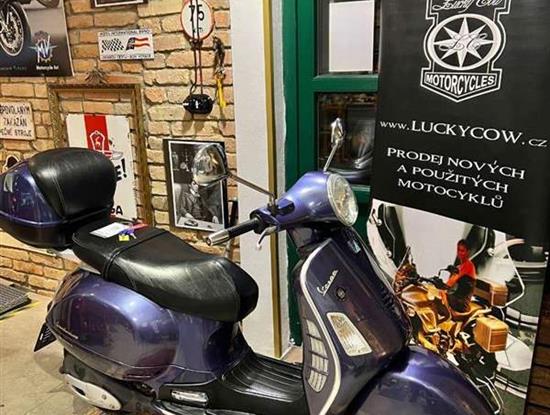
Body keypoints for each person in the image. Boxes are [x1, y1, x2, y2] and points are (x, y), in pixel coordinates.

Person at [445, 239, 477, 313]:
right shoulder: (459, 266)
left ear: (468, 252)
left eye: (462, 251)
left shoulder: (469, 266)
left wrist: (443, 287)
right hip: (455, 298)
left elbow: (450, 283)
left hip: (461, 303)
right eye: (458, 250)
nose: (459, 253)